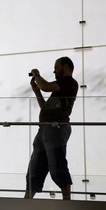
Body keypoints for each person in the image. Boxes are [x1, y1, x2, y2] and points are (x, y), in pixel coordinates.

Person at [24, 57, 79, 200]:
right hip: (46, 128)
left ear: (66, 67)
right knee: (35, 169)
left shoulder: (69, 82)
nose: (54, 71)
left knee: (57, 165)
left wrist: (36, 74)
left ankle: (66, 201)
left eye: (56, 67)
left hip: (56, 127)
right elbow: (46, 109)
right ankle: (26, 201)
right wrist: (37, 92)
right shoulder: (61, 89)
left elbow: (46, 86)